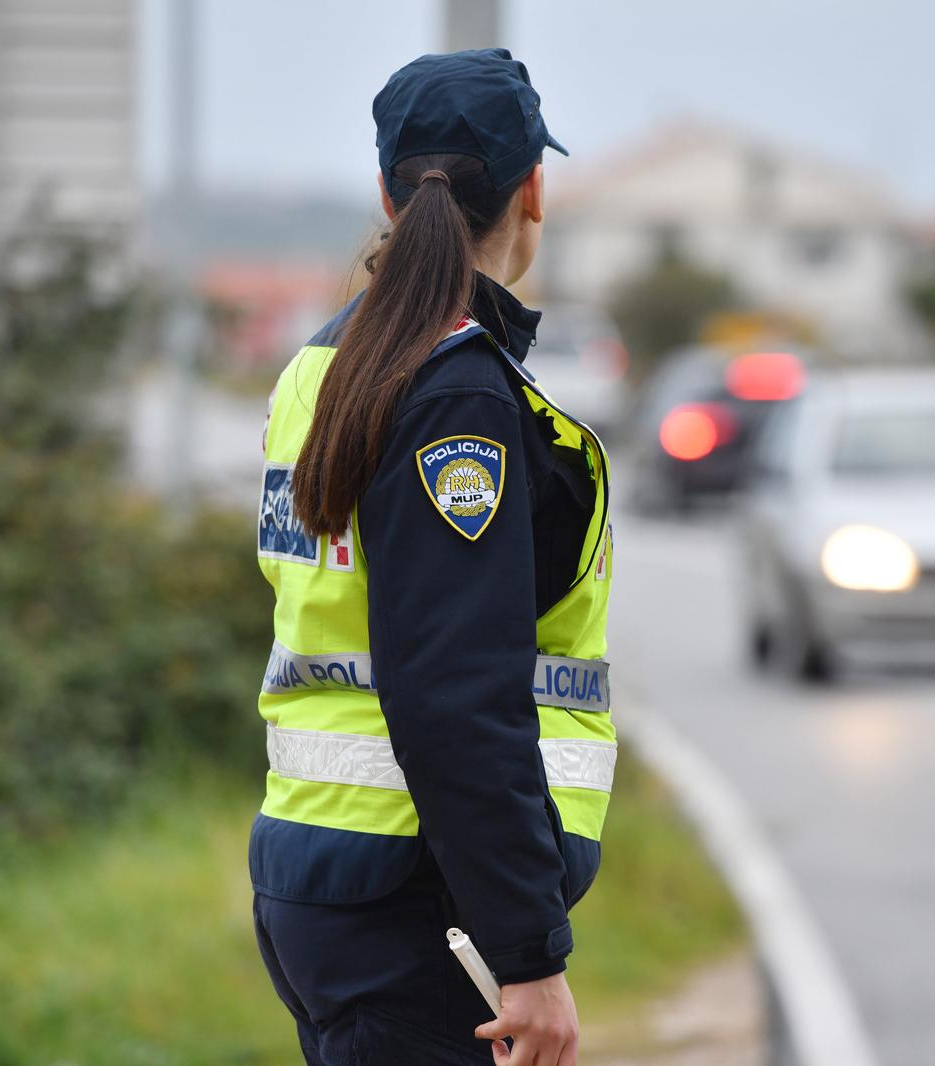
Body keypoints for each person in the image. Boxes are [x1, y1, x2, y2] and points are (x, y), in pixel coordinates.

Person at [252, 49, 617, 1066]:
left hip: (324, 876)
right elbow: (453, 692)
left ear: (386, 190)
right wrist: (527, 951)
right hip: (416, 909)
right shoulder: (453, 396)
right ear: (533, 191)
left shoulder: (322, 364)